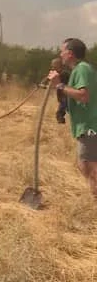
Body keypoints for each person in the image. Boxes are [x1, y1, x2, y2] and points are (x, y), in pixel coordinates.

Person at [48, 38, 97, 199]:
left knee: (88, 166)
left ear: (69, 53)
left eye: (62, 51)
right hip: (87, 126)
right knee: (87, 166)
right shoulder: (79, 70)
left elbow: (83, 96)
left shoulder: (82, 69)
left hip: (90, 126)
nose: (60, 54)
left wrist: (60, 86)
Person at [50, 57, 70, 124]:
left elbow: (61, 83)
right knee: (62, 110)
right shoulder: (57, 73)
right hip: (62, 96)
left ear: (58, 65)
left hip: (67, 95)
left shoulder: (64, 73)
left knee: (61, 111)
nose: (52, 66)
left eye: (53, 65)